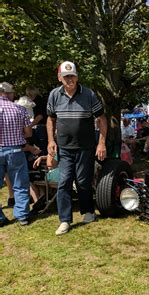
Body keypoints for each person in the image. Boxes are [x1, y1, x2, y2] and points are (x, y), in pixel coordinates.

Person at [47, 61, 107, 235]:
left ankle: (88, 211)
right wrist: (51, 141)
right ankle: (64, 220)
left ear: (77, 76)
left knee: (83, 181)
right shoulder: (54, 95)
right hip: (64, 148)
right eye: (66, 77)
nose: (69, 79)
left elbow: (102, 119)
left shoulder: (88, 94)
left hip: (85, 147)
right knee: (64, 182)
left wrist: (101, 142)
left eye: (72, 75)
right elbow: (50, 119)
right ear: (60, 78)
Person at [0, 82, 32, 226]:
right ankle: (22, 216)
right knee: (20, 184)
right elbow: (28, 133)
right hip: (16, 150)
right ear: (8, 93)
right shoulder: (19, 109)